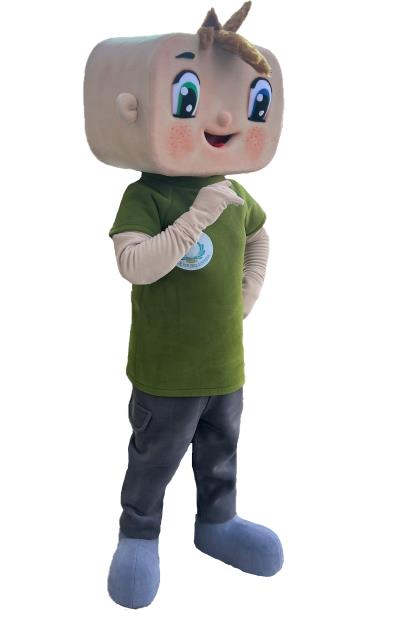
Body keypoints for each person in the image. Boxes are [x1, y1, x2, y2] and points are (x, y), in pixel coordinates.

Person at [84, 1, 284, 609]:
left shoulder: (234, 190)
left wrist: (247, 291)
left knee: (221, 454)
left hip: (225, 367)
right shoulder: (147, 196)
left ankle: (216, 523)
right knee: (154, 459)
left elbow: (259, 235)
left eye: (247, 102)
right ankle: (139, 533)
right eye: (191, 97)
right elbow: (134, 264)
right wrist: (195, 218)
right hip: (165, 372)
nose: (223, 117)